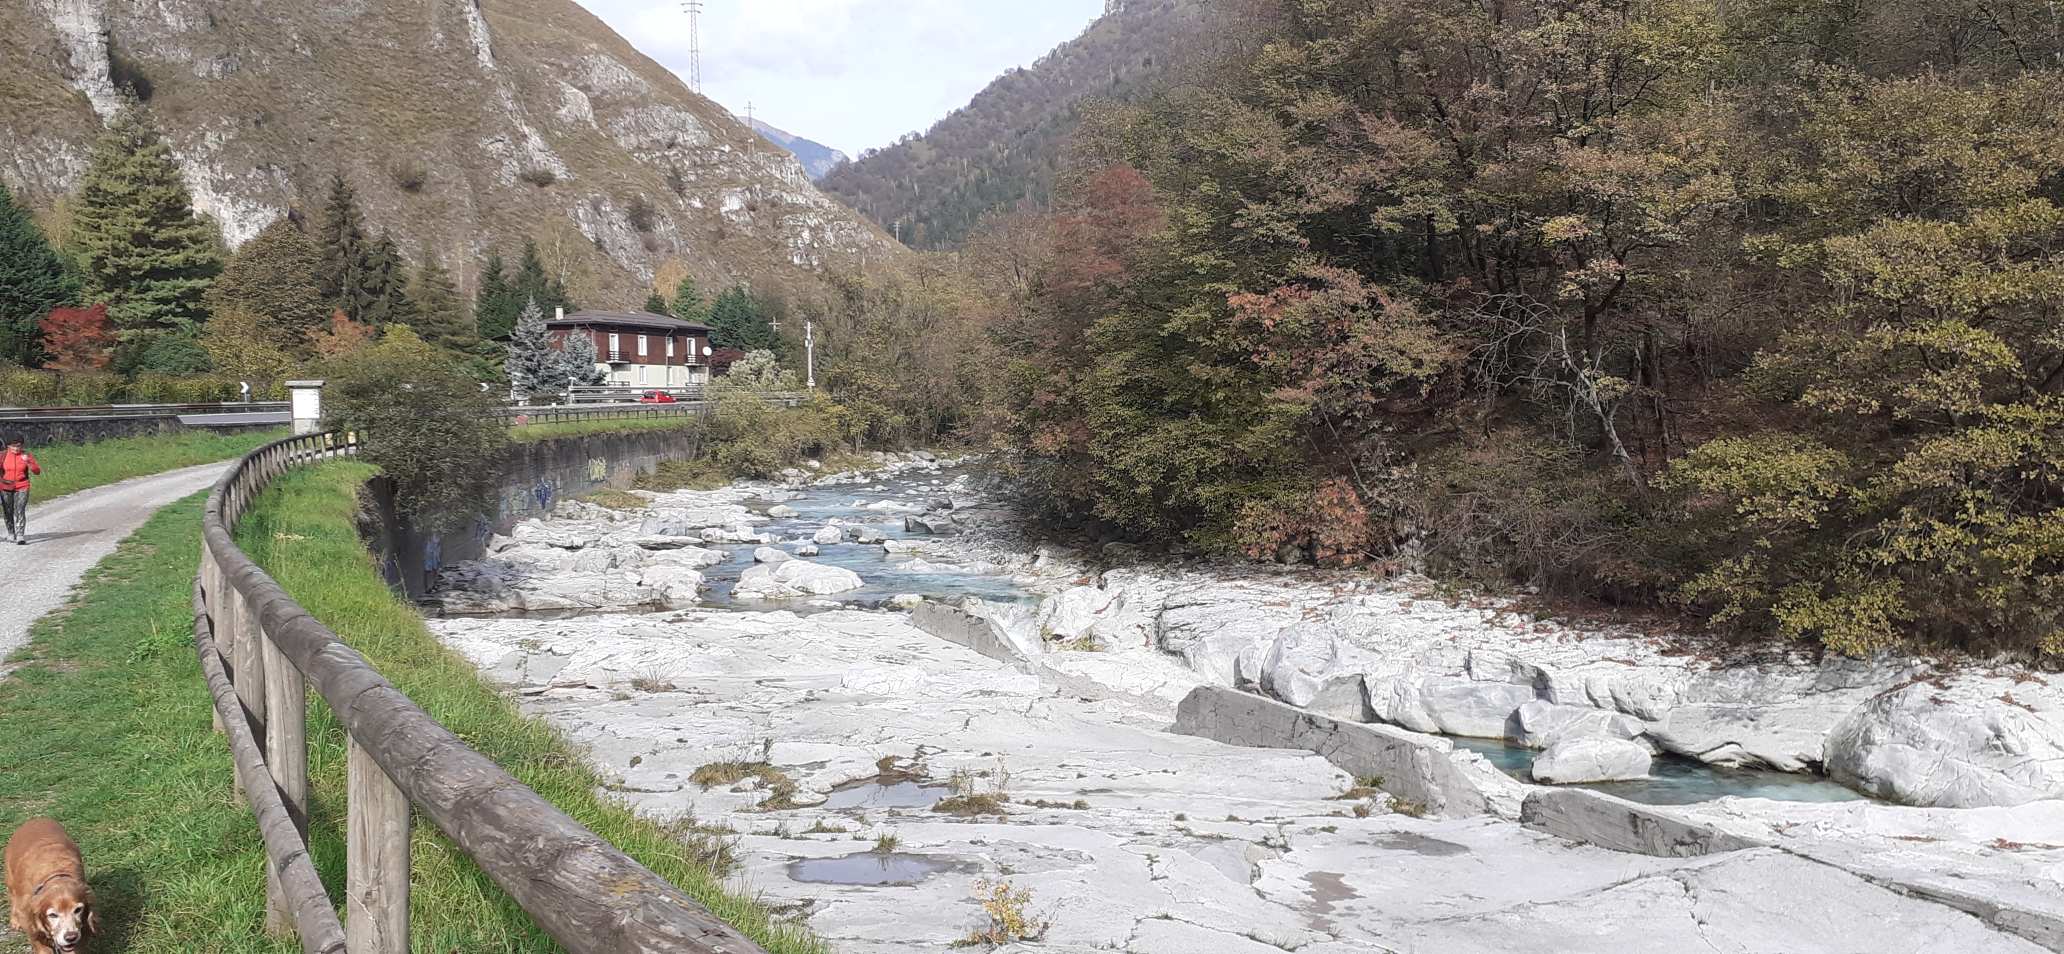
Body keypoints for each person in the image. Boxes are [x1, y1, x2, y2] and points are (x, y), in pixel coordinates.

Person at [1, 436, 40, 545]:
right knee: (8, 510)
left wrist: (29, 462)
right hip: (5, 486)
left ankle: (20, 535)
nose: (16, 449)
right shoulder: (3, 455)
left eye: (19, 446)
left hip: (22, 485)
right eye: (13, 446)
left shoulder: (26, 455)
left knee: (20, 509)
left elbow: (37, 471)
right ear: (8, 446)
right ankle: (10, 533)